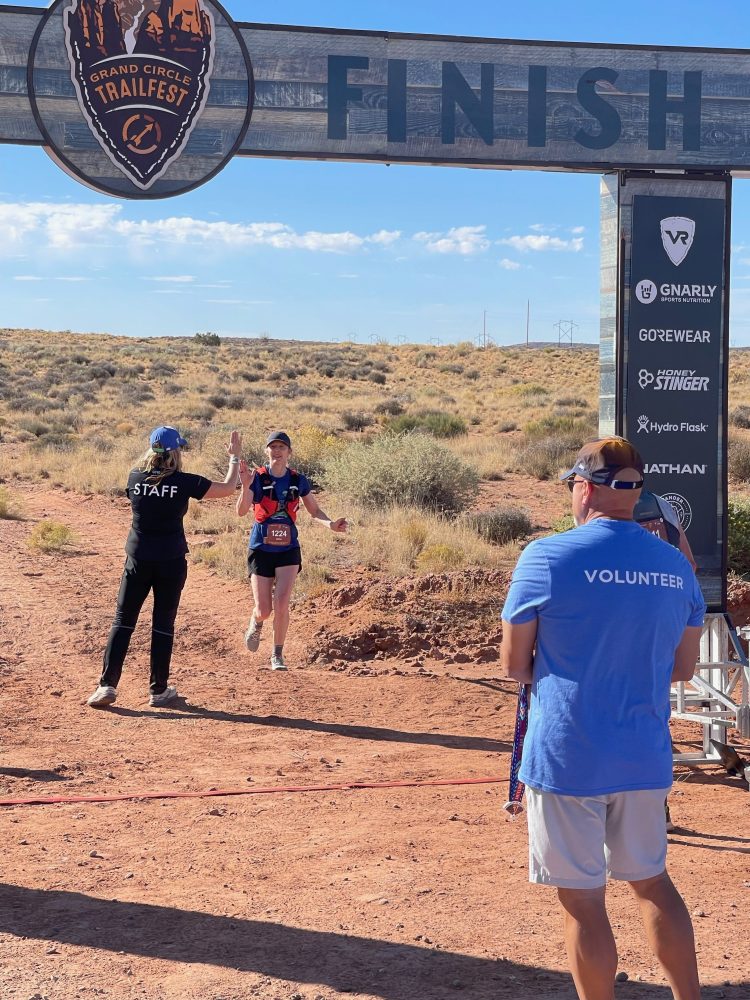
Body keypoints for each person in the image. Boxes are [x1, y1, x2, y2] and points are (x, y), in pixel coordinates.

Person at [501, 437, 705, 1000]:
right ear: (635, 492)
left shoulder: (544, 556)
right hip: (642, 754)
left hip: (568, 755)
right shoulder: (674, 565)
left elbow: (515, 665)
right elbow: (683, 668)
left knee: (583, 901)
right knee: (653, 885)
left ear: (583, 488)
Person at [87, 426, 243, 708]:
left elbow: (138, 497)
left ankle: (106, 686)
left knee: (123, 622)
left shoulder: (135, 478)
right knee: (162, 625)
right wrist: (234, 458)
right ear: (175, 451)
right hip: (170, 562)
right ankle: (158, 691)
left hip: (137, 560)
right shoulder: (185, 482)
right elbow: (229, 488)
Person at [237, 431, 347, 670]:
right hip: (261, 549)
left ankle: (277, 655)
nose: (277, 451)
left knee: (283, 601)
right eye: (273, 447)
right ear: (267, 451)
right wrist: (245, 486)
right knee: (264, 610)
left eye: (282, 447)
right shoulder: (257, 477)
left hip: (288, 549)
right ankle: (256, 622)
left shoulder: (298, 480)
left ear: (289, 452)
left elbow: (314, 510)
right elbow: (241, 511)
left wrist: (330, 524)